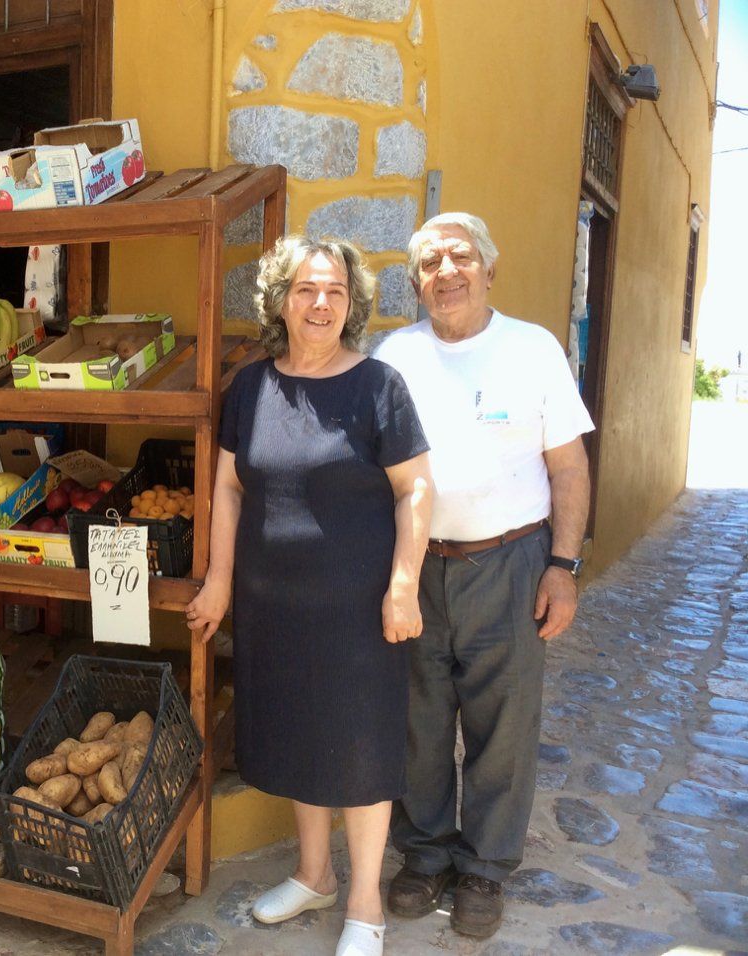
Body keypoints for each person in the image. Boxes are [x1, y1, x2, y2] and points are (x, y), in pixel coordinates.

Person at [187, 236, 433, 956]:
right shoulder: (252, 388)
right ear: (280, 301)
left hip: (359, 607)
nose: (320, 302)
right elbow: (229, 490)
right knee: (300, 733)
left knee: (359, 743)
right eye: (305, 289)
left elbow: (416, 487)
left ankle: (365, 906)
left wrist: (404, 584)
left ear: (351, 304)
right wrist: (220, 581)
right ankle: (315, 874)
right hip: (275, 607)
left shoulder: (378, 387)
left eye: (334, 291)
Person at [373, 212, 594, 939]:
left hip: (510, 562)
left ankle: (485, 869)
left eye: (460, 257)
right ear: (416, 283)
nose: (446, 272)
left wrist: (563, 567)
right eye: (430, 263)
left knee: (504, 726)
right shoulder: (394, 355)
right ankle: (426, 855)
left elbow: (568, 467)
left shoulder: (532, 349)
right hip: (418, 564)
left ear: (488, 269)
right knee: (420, 719)